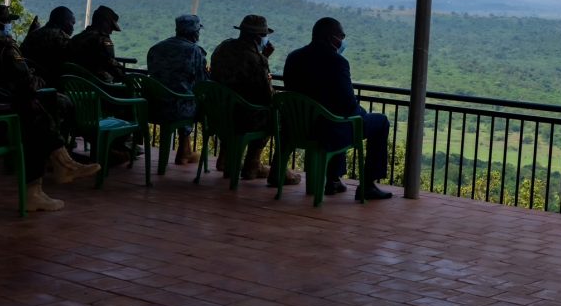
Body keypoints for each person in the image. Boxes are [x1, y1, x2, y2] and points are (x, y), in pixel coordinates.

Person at [0, 2, 99, 211]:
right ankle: (43, 183)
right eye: (8, 22)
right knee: (36, 119)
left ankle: (61, 164)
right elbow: (27, 82)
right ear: (1, 23)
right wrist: (40, 82)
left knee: (32, 113)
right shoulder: (5, 48)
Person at [282, 17, 392, 200]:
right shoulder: (337, 62)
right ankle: (368, 184)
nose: (342, 40)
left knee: (336, 117)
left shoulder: (294, 57)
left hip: (297, 129)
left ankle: (333, 179)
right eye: (341, 36)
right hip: (327, 131)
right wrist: (361, 113)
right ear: (331, 38)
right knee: (379, 122)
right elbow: (349, 104)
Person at [211, 14, 299, 185]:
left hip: (219, 113)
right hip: (244, 118)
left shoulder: (223, 48)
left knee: (240, 111)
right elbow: (266, 96)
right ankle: (254, 164)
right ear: (259, 36)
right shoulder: (256, 59)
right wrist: (264, 59)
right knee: (275, 116)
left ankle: (227, 159)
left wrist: (262, 58)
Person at [147, 14, 208, 165]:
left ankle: (185, 150)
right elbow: (202, 84)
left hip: (152, 106)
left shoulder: (156, 48)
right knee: (198, 102)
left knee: (183, 96)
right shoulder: (194, 51)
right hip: (178, 109)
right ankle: (186, 150)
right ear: (195, 32)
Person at [21, 6, 76, 86]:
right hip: (47, 85)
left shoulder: (33, 34)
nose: (73, 27)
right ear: (63, 21)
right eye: (72, 23)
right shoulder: (60, 37)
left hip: (26, 82)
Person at [67, 5, 124, 83]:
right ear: (104, 23)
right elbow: (110, 65)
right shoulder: (103, 40)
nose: (111, 31)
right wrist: (124, 75)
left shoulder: (76, 38)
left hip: (74, 85)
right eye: (111, 27)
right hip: (97, 86)